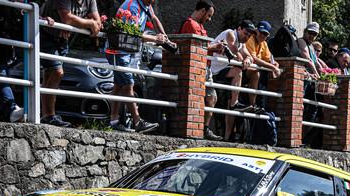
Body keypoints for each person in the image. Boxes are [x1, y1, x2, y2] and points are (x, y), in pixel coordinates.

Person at [106, 0, 171, 133]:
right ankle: (137, 122)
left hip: (127, 50)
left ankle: (113, 121)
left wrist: (165, 38)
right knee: (128, 85)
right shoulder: (133, 6)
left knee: (119, 86)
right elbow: (132, 33)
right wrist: (155, 39)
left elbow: (154, 18)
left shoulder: (146, 4)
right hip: (119, 51)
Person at [39, 0, 102, 127]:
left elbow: (98, 23)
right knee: (57, 72)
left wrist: (72, 24)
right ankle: (49, 115)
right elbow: (67, 18)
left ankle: (47, 115)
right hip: (45, 33)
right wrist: (87, 23)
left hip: (63, 37)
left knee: (50, 74)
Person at [179, 0, 226, 140]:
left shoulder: (199, 25)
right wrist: (214, 47)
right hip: (195, 68)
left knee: (212, 98)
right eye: (209, 15)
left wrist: (215, 48)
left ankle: (205, 128)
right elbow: (197, 45)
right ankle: (198, 129)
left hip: (204, 67)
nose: (209, 19)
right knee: (200, 98)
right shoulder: (190, 24)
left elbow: (203, 47)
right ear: (203, 11)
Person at [209, 19, 255, 140]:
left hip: (222, 71)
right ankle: (235, 103)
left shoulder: (242, 43)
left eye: (249, 36)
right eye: (245, 33)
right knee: (238, 71)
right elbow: (234, 49)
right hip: (212, 70)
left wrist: (248, 59)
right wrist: (243, 60)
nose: (247, 37)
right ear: (239, 29)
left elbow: (249, 56)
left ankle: (227, 136)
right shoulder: (230, 33)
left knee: (237, 73)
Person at [245, 20, 280, 108]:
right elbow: (255, 60)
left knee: (258, 74)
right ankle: (252, 105)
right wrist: (273, 67)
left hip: (251, 71)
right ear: (256, 31)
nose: (263, 36)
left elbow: (269, 59)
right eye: (261, 32)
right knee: (256, 73)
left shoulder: (264, 44)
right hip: (242, 68)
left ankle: (258, 105)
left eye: (265, 34)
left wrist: (275, 64)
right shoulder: (250, 39)